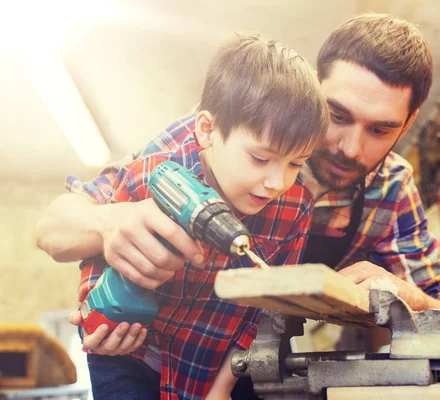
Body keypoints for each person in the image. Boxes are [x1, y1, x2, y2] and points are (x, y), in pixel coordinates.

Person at [36, 12, 440, 396]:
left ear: (408, 123)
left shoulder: (392, 189)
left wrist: (409, 297)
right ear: (313, 91)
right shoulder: (220, 136)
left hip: (240, 357)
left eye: (380, 129)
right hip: (148, 355)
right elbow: (54, 226)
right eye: (337, 116)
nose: (351, 149)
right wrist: (112, 223)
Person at [64, 34, 329, 400]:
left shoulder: (295, 206)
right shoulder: (155, 174)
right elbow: (100, 253)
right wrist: (97, 314)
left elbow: (264, 314)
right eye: (260, 158)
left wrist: (221, 391)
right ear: (207, 130)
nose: (276, 183)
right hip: (131, 353)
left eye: (295, 163)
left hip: (214, 361)